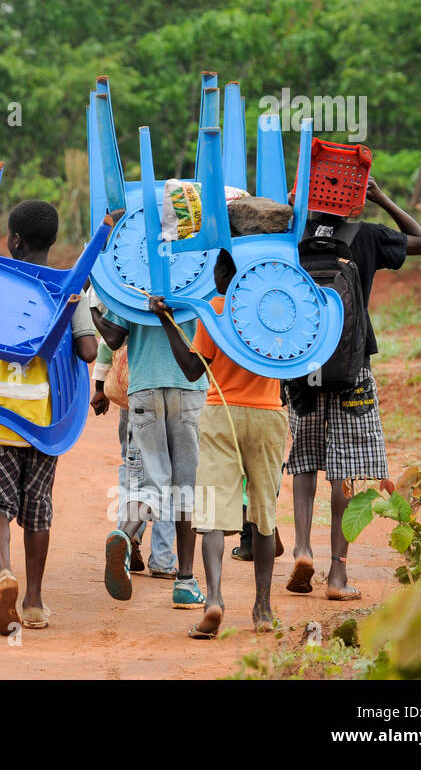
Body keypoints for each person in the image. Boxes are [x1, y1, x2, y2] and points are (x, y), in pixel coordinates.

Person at [285, 175, 421, 600]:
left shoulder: (294, 234)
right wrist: (382, 198)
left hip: (302, 367)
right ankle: (337, 577)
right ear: (352, 197)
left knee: (304, 462)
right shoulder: (365, 236)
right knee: (343, 469)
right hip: (353, 370)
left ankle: (301, 547)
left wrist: (293, 207)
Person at [0, 200, 115, 635]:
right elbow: (90, 351)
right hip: (44, 419)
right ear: (52, 241)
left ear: (15, 241)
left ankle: (2, 573)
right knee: (38, 511)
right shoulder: (66, 288)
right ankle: (34, 601)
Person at [150, 250, 288, 636]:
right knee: (263, 512)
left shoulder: (215, 308)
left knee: (210, 510)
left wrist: (166, 322)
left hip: (220, 413)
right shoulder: (274, 304)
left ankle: (213, 600)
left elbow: (194, 369)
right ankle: (262, 608)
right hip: (267, 413)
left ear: (226, 272)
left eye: (216, 270)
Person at [94, 270, 209, 611]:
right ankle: (185, 581)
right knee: (186, 487)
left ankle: (125, 533)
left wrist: (92, 311)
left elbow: (114, 339)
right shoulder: (199, 274)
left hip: (143, 386)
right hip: (188, 390)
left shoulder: (135, 275)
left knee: (151, 481)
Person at [91, 338, 177, 577]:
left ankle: (128, 540)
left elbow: (109, 339)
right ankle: (162, 558)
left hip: (135, 392)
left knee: (133, 470)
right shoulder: (190, 301)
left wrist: (100, 386)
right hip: (177, 395)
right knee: (170, 476)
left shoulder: (130, 300)